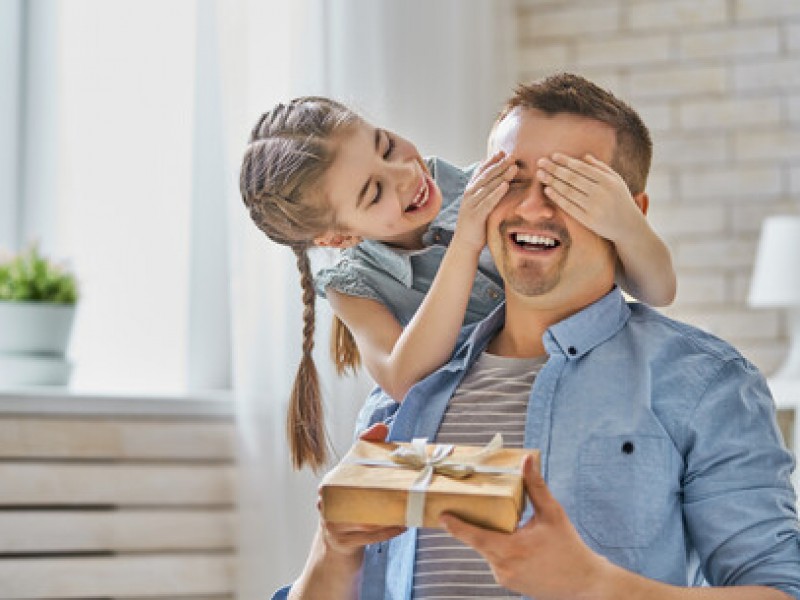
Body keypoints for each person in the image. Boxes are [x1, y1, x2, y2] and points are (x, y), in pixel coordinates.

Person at [274, 73, 800, 599]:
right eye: (512, 180)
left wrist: (596, 586)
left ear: (629, 213)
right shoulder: (402, 402)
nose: (532, 207)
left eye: (571, 185)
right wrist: (331, 550)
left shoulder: (703, 385)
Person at [239, 92, 677, 470]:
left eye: (387, 146)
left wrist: (626, 224)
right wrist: (466, 241)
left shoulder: (489, 185)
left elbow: (658, 291)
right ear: (340, 236)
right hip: (459, 433)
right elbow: (402, 378)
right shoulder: (351, 283)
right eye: (374, 192)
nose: (405, 175)